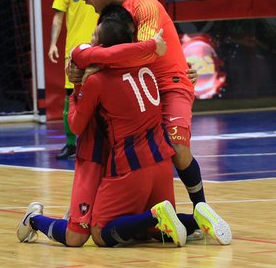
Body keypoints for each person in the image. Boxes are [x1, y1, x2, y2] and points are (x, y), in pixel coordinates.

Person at [18, 14, 231, 247]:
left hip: (120, 161)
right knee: (145, 231)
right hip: (158, 158)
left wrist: (75, 91)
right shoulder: (146, 64)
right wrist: (182, 73)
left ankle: (35, 219)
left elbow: (77, 125)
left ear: (102, 46)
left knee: (88, 235)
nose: (89, 39)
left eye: (94, 35)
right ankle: (196, 219)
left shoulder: (95, 78)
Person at [68, 0, 226, 243]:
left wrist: (84, 59)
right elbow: (116, 55)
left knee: (176, 147)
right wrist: (81, 62)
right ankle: (155, 217)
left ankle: (201, 208)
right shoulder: (109, 14)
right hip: (141, 87)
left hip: (168, 84)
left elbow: (139, 54)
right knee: (143, 154)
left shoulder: (145, 5)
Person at [48, 0, 100, 159]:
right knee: (72, 98)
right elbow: (58, 17)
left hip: (100, 50)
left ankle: (101, 143)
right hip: (75, 53)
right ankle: (71, 144)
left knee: (102, 96)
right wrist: (53, 44)